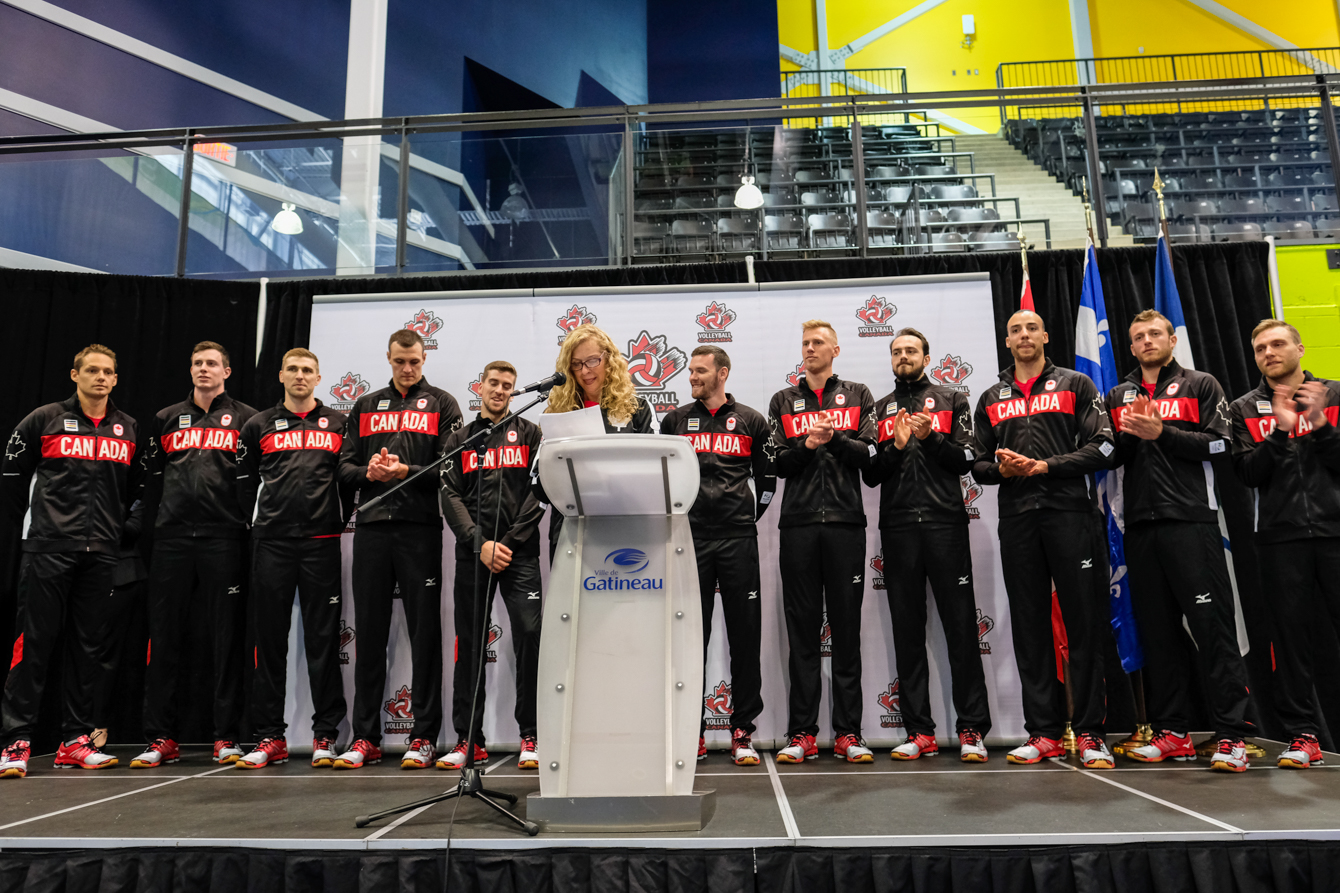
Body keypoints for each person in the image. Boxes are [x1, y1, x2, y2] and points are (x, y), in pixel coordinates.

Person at [1106, 309, 1255, 772]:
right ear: (1131, 347)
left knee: (1213, 630)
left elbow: (1222, 445)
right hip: (1139, 527)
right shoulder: (1119, 394)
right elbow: (1112, 454)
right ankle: (1172, 733)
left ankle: (1232, 735)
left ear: (1172, 340)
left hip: (1192, 522)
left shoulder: (1201, 384)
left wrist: (1162, 433)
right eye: (1138, 337)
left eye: (1155, 333)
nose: (1147, 341)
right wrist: (1130, 438)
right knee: (1159, 634)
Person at [971, 310, 1115, 770]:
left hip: (1071, 515)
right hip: (1017, 519)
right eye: (1016, 330)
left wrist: (1046, 466)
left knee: (1083, 624)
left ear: (1045, 336)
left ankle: (1091, 733)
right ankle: (1043, 733)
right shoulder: (990, 397)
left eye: (1032, 328)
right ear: (1007, 341)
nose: (1024, 335)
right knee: (1030, 626)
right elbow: (976, 464)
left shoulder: (1076, 384)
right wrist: (1002, 470)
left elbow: (1105, 446)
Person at [0, 345, 143, 779]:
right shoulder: (43, 419)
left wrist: (121, 529)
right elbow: (12, 481)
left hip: (101, 554)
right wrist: (38, 527)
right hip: (48, 550)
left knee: (88, 649)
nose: (100, 377)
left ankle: (75, 740)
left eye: (108, 372)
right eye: (92, 370)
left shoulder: (127, 427)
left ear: (115, 379)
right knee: (34, 645)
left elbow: (138, 489)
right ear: (74, 375)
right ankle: (16, 741)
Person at [332, 330, 460, 771]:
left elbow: (451, 468)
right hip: (370, 529)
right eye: (400, 361)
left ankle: (423, 737)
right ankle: (365, 737)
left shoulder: (442, 403)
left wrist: (406, 470)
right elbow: (343, 469)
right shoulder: (366, 405)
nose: (407, 369)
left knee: (425, 636)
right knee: (368, 635)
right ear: (388, 358)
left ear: (424, 360)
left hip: (419, 530)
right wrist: (368, 472)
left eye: (415, 362)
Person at [864, 328, 992, 762]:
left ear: (926, 357)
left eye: (911, 350)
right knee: (907, 633)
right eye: (896, 351)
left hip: (945, 525)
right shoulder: (880, 408)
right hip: (898, 528)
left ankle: (972, 729)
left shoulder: (952, 399)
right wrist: (897, 446)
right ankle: (919, 732)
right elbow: (871, 475)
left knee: (961, 628)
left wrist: (932, 438)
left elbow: (968, 460)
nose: (903, 356)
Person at [133, 341, 256, 769]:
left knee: (227, 640)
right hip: (172, 540)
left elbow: (255, 480)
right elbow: (150, 481)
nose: (204, 369)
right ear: (190, 370)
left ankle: (226, 735)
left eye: (212, 363)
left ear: (227, 371)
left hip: (225, 538)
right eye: (198, 363)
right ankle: (161, 736)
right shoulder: (166, 418)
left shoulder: (248, 419)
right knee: (164, 638)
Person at [234, 348, 353, 770]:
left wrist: (333, 519)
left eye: (307, 370)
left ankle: (326, 735)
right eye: (293, 369)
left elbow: (348, 481)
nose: (300, 375)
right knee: (269, 643)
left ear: (318, 378)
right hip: (272, 544)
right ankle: (270, 736)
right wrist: (261, 523)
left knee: (323, 641)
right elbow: (244, 483)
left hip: (321, 543)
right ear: (281, 375)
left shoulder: (339, 423)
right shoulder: (257, 424)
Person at [1230, 319, 1340, 770]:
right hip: (1279, 539)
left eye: (1277, 344)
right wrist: (1278, 431)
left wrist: (1320, 424)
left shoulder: (1334, 394)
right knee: (1291, 643)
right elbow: (1247, 474)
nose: (1269, 353)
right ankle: (1303, 736)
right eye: (1260, 348)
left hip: (1336, 533)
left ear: (1300, 348)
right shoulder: (1243, 408)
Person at [768, 320, 877, 764]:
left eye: (818, 343)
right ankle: (802, 734)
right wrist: (808, 446)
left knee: (847, 633)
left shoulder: (858, 394)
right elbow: (777, 463)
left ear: (835, 350)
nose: (809, 349)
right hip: (798, 526)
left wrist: (834, 440)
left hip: (846, 525)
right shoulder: (783, 400)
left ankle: (849, 733)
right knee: (803, 634)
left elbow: (870, 454)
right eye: (805, 343)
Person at [661, 346, 775, 766]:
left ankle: (742, 731)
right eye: (691, 370)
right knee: (691, 639)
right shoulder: (674, 422)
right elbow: (663, 479)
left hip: (737, 539)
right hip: (689, 540)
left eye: (701, 371)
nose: (693, 376)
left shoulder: (751, 420)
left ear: (722, 373)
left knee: (745, 636)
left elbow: (767, 482)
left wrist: (743, 517)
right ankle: (691, 732)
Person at [439, 361, 544, 771]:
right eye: (494, 384)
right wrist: (480, 543)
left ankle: (531, 736)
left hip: (520, 554)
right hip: (473, 555)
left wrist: (508, 543)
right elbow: (450, 496)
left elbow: (539, 494)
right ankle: (469, 740)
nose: (500, 390)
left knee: (530, 636)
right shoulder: (460, 439)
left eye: (508, 386)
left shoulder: (531, 434)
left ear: (514, 392)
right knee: (469, 644)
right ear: (480, 387)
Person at [534, 323, 655, 555]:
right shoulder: (557, 413)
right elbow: (538, 485)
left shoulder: (637, 408)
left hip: (625, 528)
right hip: (570, 531)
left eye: (592, 361)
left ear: (609, 359)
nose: (585, 371)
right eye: (576, 364)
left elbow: (654, 473)